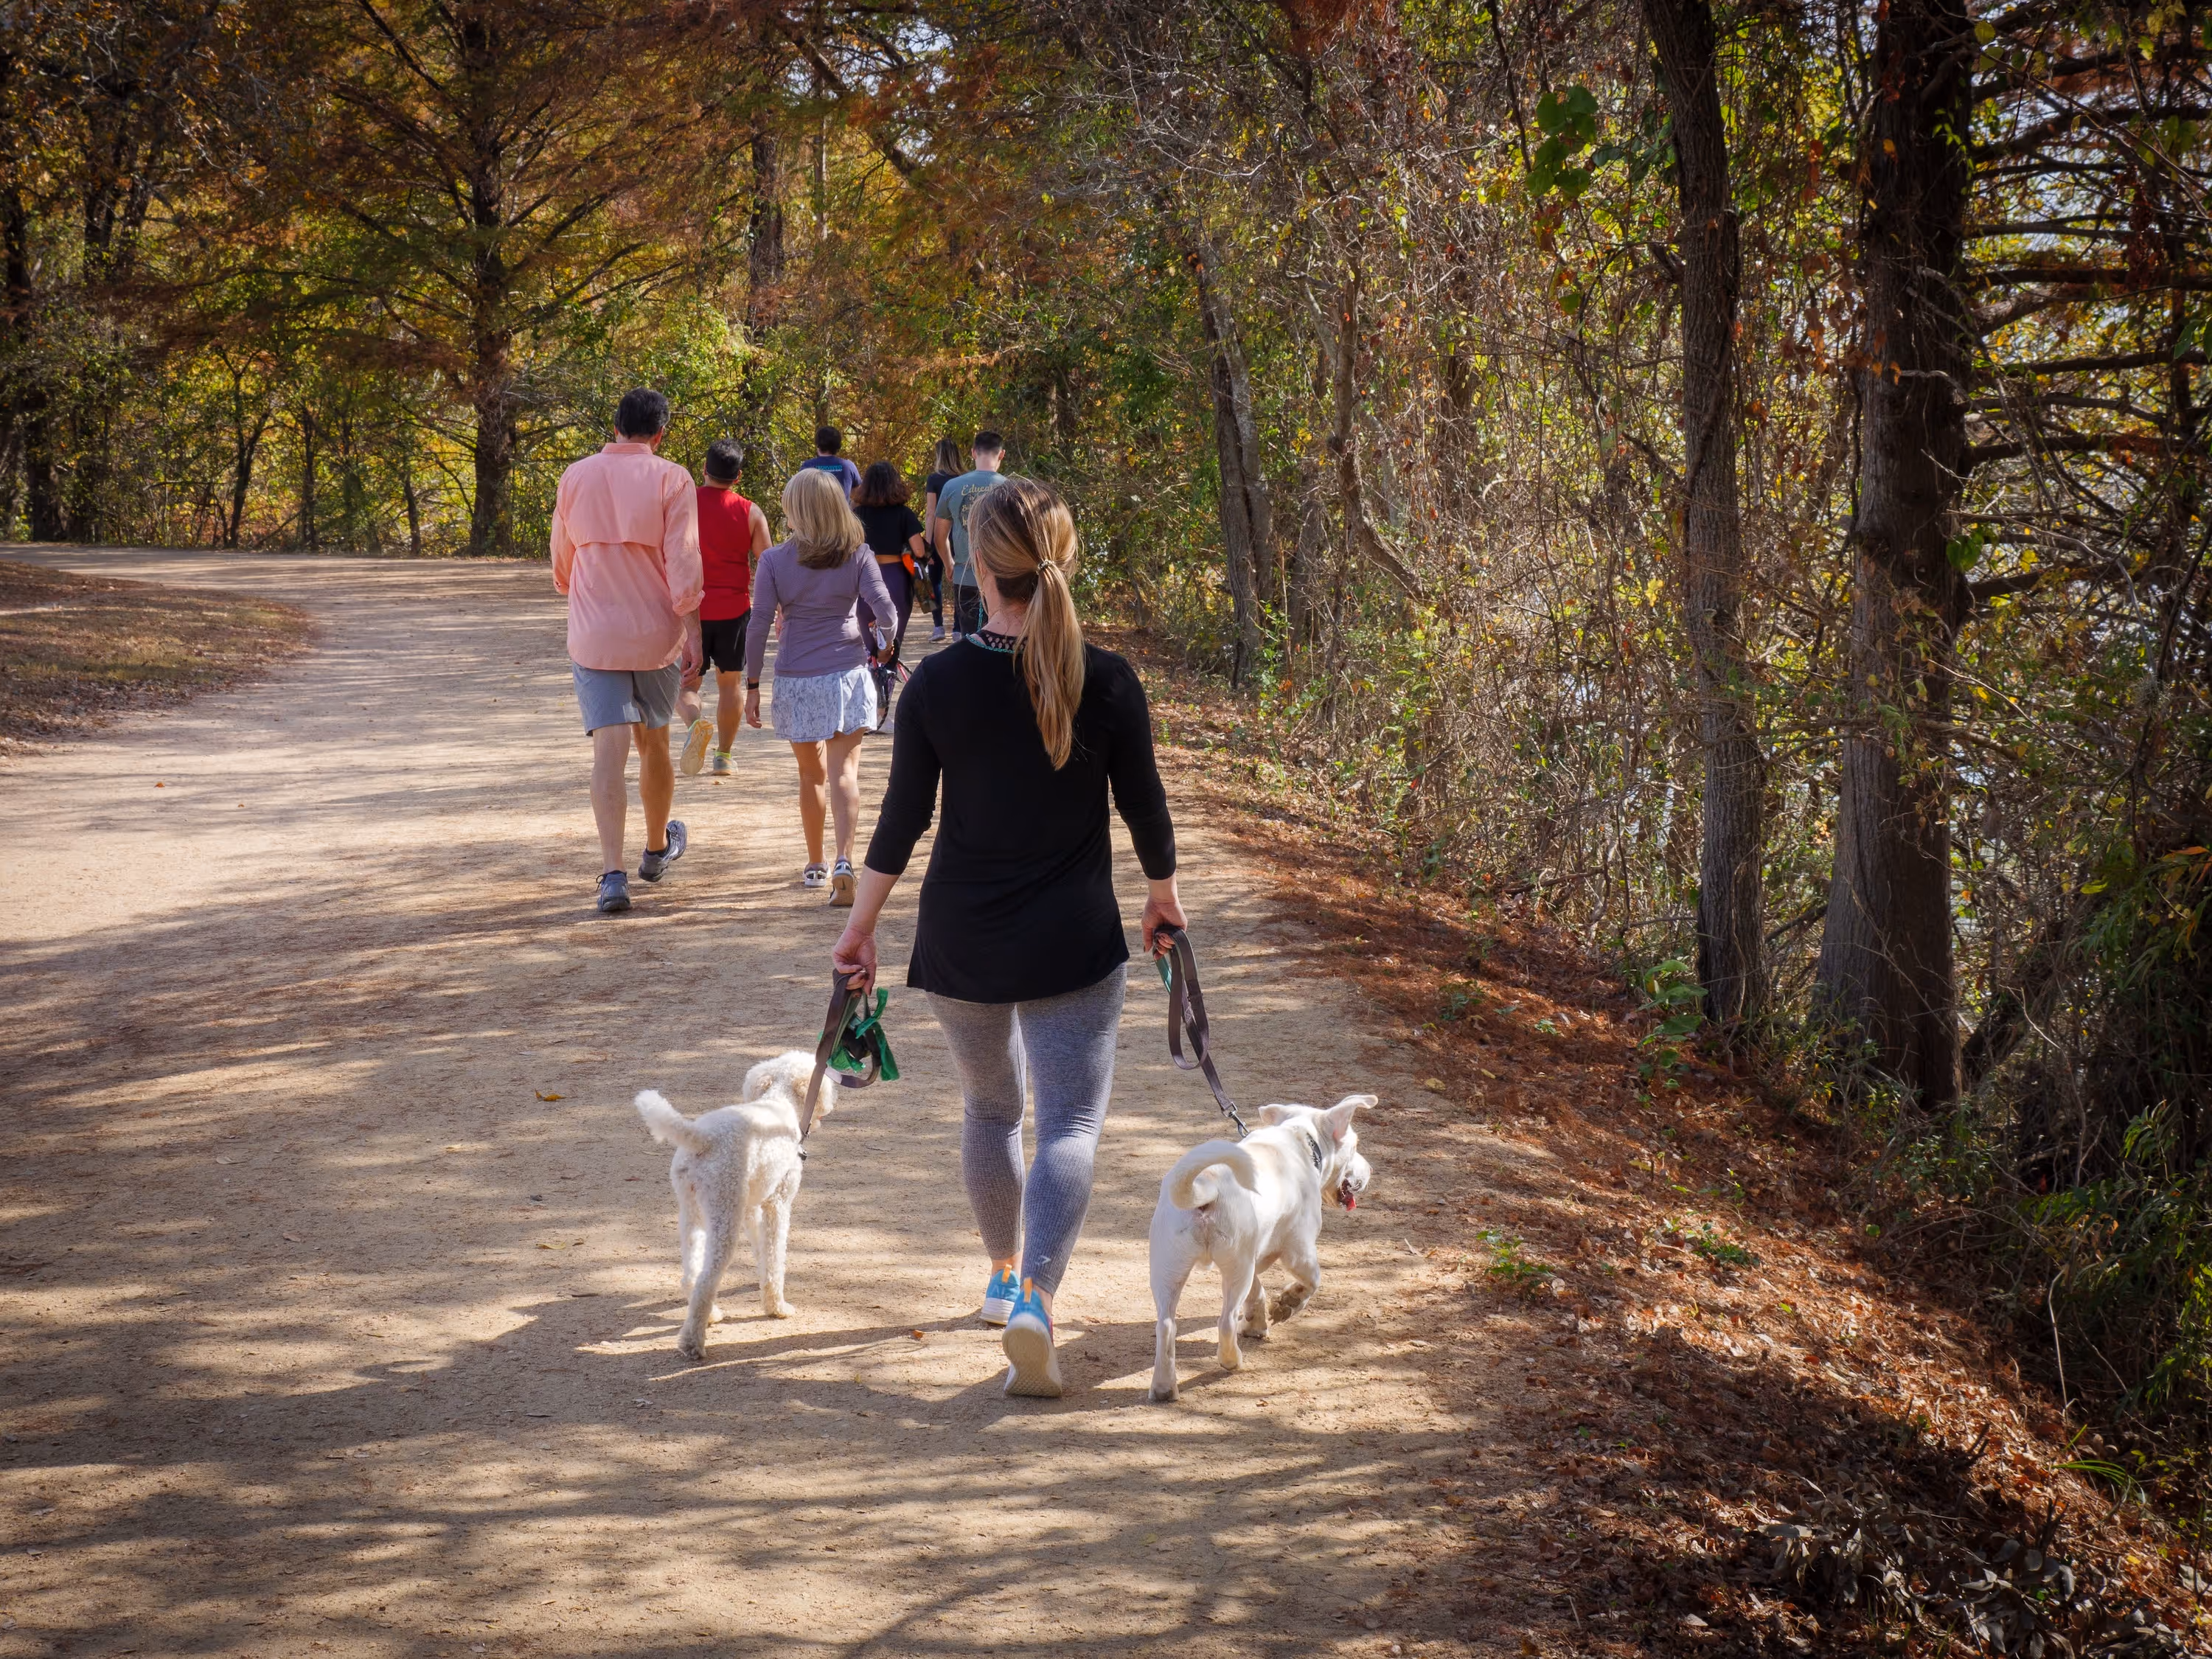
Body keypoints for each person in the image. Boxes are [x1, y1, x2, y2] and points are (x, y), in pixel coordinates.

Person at [832, 477, 1185, 1398]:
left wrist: (861, 930)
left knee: (993, 1112)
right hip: (1073, 941)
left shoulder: (940, 682)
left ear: (973, 567)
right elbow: (1144, 809)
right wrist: (1163, 899)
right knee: (1069, 1119)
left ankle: (997, 1276)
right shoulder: (1105, 679)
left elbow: (901, 822)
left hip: (962, 947)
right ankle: (1037, 1297)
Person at [550, 388, 703, 916]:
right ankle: (657, 849)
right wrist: (695, 632)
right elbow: (683, 564)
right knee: (654, 745)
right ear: (659, 434)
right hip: (656, 636)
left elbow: (562, 564)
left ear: (614, 425)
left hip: (594, 636)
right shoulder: (672, 477)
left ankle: (613, 875)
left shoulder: (575, 476)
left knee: (607, 754)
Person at [743, 467, 897, 907]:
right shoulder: (859, 554)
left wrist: (752, 684)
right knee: (845, 773)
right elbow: (885, 610)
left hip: (798, 679)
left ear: (798, 511)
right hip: (847, 675)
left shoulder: (774, 560)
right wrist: (883, 644)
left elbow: (757, 626)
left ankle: (815, 864)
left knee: (811, 774)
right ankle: (845, 860)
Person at [691, 439, 771, 776]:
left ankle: (695, 725)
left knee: (686, 688)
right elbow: (767, 563)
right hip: (734, 611)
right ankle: (723, 756)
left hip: (690, 611)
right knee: (730, 686)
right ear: (738, 476)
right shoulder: (750, 511)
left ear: (705, 469)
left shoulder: (684, 503)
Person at [852, 459, 928, 721]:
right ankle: (882, 709)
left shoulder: (857, 513)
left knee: (868, 644)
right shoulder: (905, 514)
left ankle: (867, 705)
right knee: (892, 643)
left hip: (865, 578)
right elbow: (919, 550)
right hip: (895, 579)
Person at [931, 430, 1007, 638]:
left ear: (973, 453)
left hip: (964, 576)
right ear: (1001, 455)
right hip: (1002, 579)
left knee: (970, 639)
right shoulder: (1011, 488)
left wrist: (949, 564)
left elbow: (940, 536)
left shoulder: (952, 487)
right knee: (1000, 637)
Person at [920, 437, 961, 641]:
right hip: (960, 535)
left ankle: (938, 627)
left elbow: (931, 512)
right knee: (960, 580)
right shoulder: (964, 478)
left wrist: (928, 543)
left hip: (939, 534)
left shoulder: (934, 479)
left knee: (934, 579)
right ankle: (958, 628)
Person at [799, 425, 861, 498]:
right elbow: (858, 492)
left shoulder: (807, 466)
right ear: (838, 446)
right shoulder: (848, 467)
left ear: (818, 445)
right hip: (841, 510)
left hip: (812, 510)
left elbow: (798, 493)